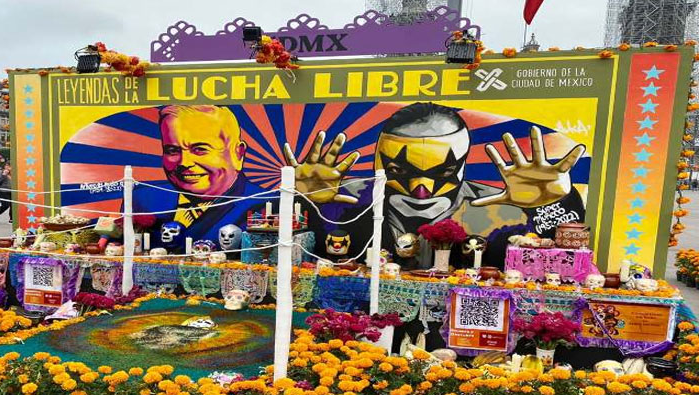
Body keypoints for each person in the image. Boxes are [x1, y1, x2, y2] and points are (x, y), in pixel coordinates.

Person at [288, 103, 587, 267]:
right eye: (398, 170)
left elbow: (548, 253)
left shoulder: (499, 210)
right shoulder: (348, 200)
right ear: (378, 163)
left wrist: (553, 202)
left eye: (444, 171)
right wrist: (302, 198)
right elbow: (289, 237)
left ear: (465, 163)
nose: (422, 189)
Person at [129, 105, 264, 242]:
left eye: (200, 149)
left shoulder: (265, 204)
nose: (184, 162)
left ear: (238, 154)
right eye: (172, 150)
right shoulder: (142, 200)